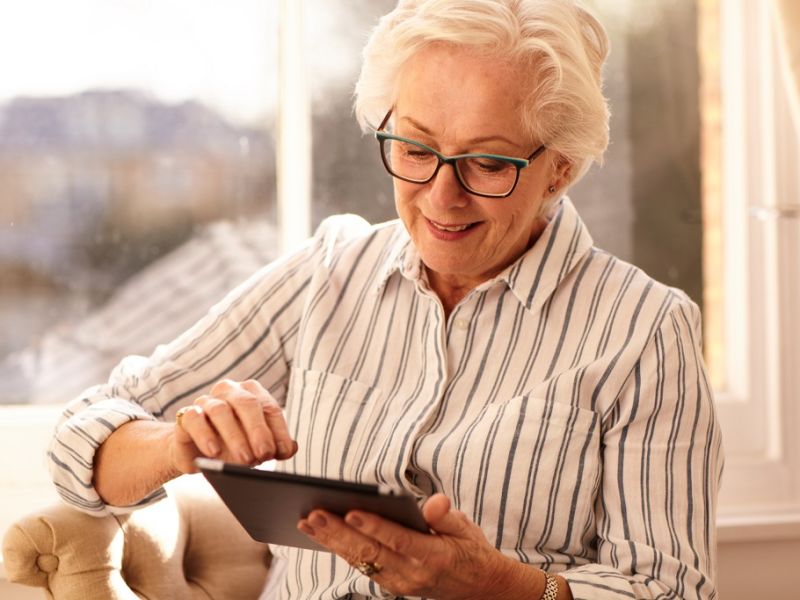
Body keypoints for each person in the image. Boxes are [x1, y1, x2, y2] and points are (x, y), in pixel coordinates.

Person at [48, 1, 723, 599]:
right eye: (415, 148)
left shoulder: (645, 330)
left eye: (486, 163)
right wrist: (179, 443)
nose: (440, 195)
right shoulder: (327, 274)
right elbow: (82, 445)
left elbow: (668, 588)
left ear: (561, 168)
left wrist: (498, 586)